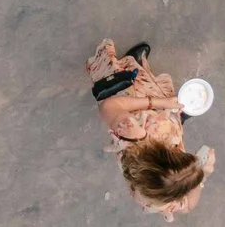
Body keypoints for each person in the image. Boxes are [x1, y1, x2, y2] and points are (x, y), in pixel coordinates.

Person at [85, 38, 214, 218]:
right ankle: (178, 118)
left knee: (132, 81)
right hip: (166, 124)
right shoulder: (157, 200)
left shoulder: (132, 134)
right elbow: (187, 206)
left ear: (162, 153)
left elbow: (109, 107)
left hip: (140, 103)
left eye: (180, 154)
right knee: (174, 115)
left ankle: (130, 66)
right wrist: (202, 176)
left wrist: (158, 103)